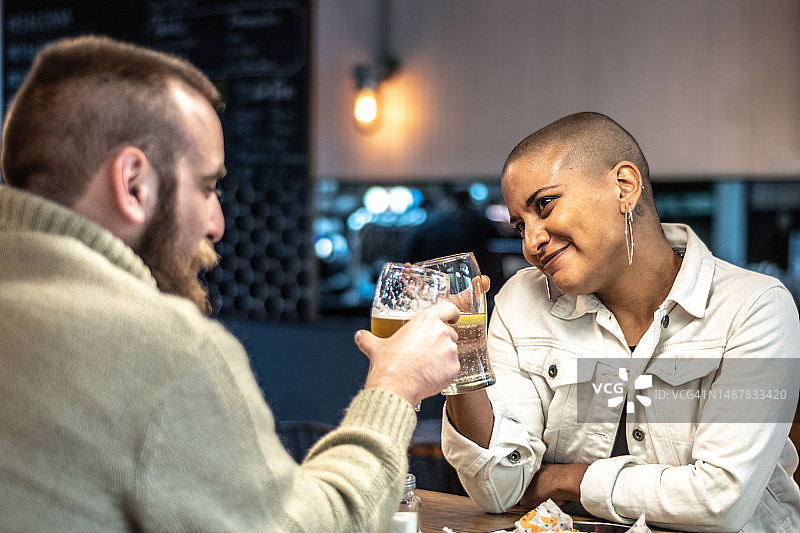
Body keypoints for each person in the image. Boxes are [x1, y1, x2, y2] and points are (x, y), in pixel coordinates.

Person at [0, 35, 462, 532]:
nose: (217, 224)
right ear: (134, 184)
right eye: (207, 187)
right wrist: (396, 385)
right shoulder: (164, 348)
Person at [441, 112, 800, 532]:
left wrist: (569, 479)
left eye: (545, 205)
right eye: (520, 226)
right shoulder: (522, 300)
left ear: (624, 187)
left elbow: (720, 501)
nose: (531, 242)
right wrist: (463, 360)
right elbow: (499, 488)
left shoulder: (754, 307)